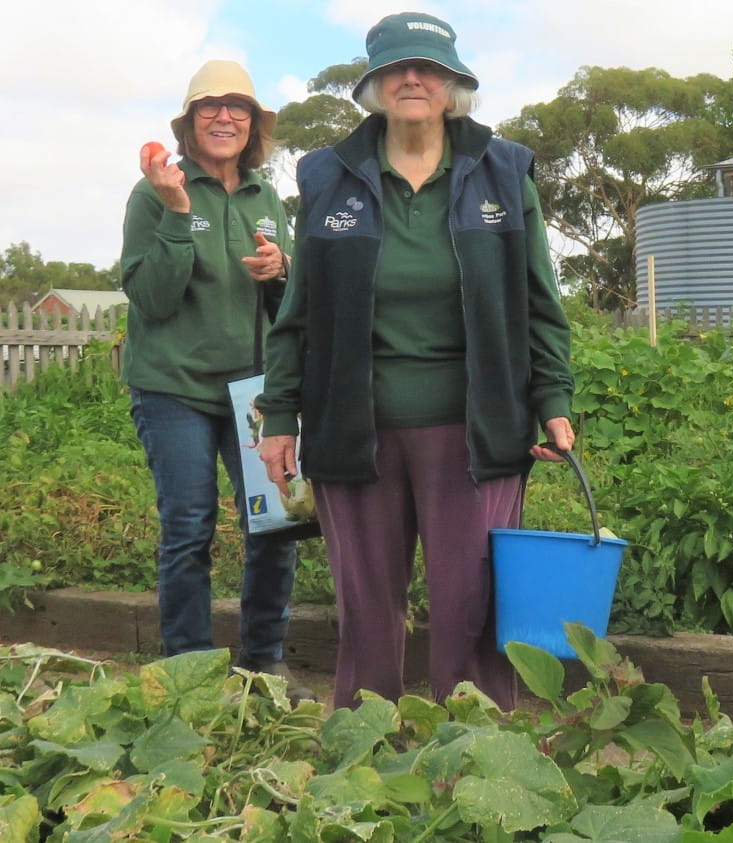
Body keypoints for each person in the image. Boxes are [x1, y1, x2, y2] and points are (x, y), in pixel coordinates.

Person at [256, 12, 575, 711]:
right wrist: (279, 413)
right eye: (396, 67)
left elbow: (539, 299)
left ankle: (479, 762)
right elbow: (298, 311)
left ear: (452, 83)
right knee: (366, 614)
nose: (412, 78)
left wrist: (552, 398)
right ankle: (366, 762)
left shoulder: (503, 171)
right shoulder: (328, 178)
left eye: (427, 67)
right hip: (355, 430)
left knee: (473, 611)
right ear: (372, 85)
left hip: (476, 431)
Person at [121, 59, 310, 700]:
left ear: (253, 123)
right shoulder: (154, 192)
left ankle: (263, 664)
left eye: (238, 107)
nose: (224, 116)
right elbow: (152, 299)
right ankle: (190, 675)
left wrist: (282, 271)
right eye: (210, 106)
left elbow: (287, 311)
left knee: (276, 524)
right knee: (189, 527)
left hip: (254, 392)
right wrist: (177, 212)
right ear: (190, 122)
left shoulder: (266, 200)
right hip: (173, 389)